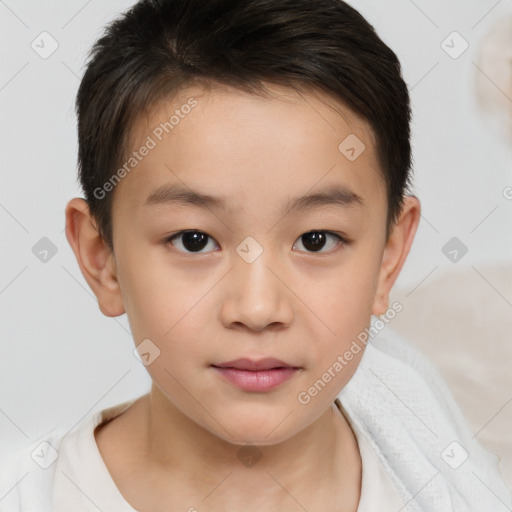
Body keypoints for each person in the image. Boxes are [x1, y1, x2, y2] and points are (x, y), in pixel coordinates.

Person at [1, 0, 510, 510]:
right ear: (101, 258)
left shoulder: (447, 488)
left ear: (388, 257)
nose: (258, 308)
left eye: (316, 240)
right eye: (194, 240)